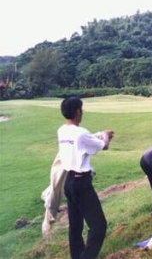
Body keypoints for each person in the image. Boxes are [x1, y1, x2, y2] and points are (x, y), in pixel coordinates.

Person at [57, 96, 114, 259]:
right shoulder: (81, 133)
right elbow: (104, 146)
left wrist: (101, 133)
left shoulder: (62, 130)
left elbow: (84, 140)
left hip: (69, 182)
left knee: (75, 226)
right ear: (77, 111)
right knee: (99, 226)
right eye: (81, 109)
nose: (82, 112)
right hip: (81, 184)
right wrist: (106, 136)